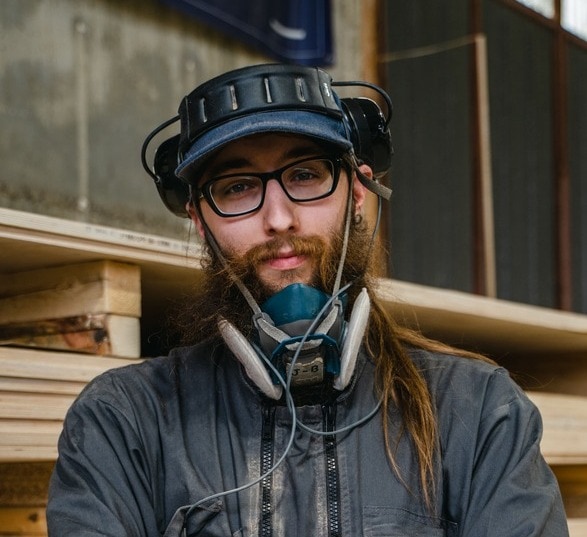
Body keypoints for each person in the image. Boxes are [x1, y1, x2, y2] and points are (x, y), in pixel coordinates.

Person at [47, 64, 569, 536]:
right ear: (199, 222)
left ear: (358, 191)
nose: (278, 218)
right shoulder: (123, 423)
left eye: (305, 175)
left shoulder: (477, 415)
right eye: (237, 188)